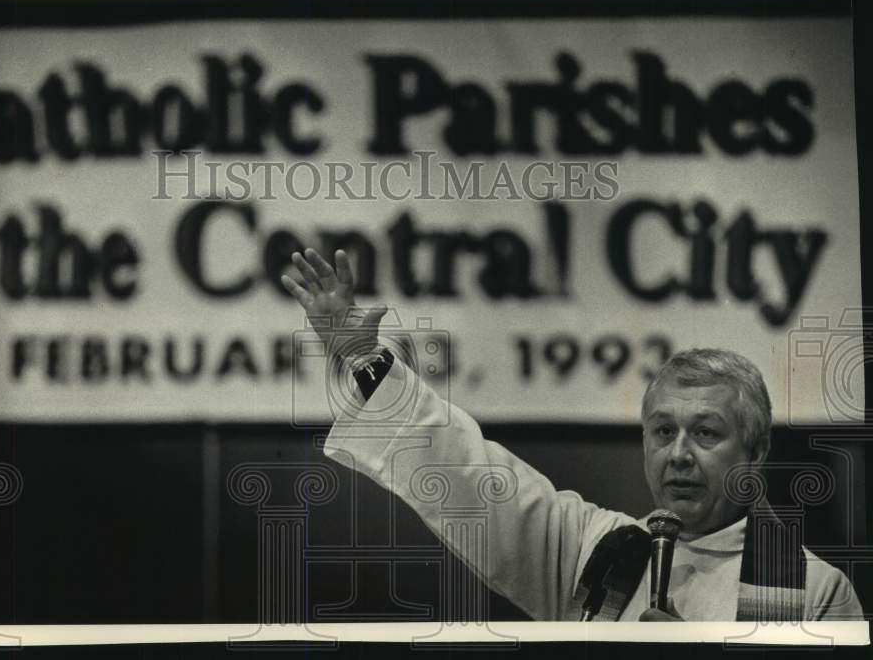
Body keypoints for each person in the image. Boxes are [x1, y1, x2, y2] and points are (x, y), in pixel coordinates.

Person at [281, 248, 864, 621]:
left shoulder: (812, 590)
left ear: (756, 451)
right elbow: (469, 472)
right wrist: (363, 358)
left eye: (705, 432)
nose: (679, 454)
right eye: (663, 430)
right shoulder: (602, 552)